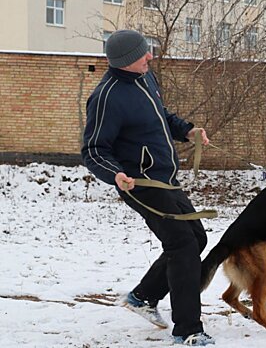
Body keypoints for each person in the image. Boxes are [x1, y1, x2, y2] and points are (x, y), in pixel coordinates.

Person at [81, 29, 214, 346]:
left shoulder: (145, 78)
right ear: (126, 60)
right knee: (182, 245)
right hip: (139, 183)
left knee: (196, 238)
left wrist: (188, 131)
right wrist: (115, 174)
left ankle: (143, 297)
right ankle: (188, 330)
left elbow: (160, 118)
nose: (150, 57)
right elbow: (94, 149)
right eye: (144, 54)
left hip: (164, 178)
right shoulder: (107, 97)